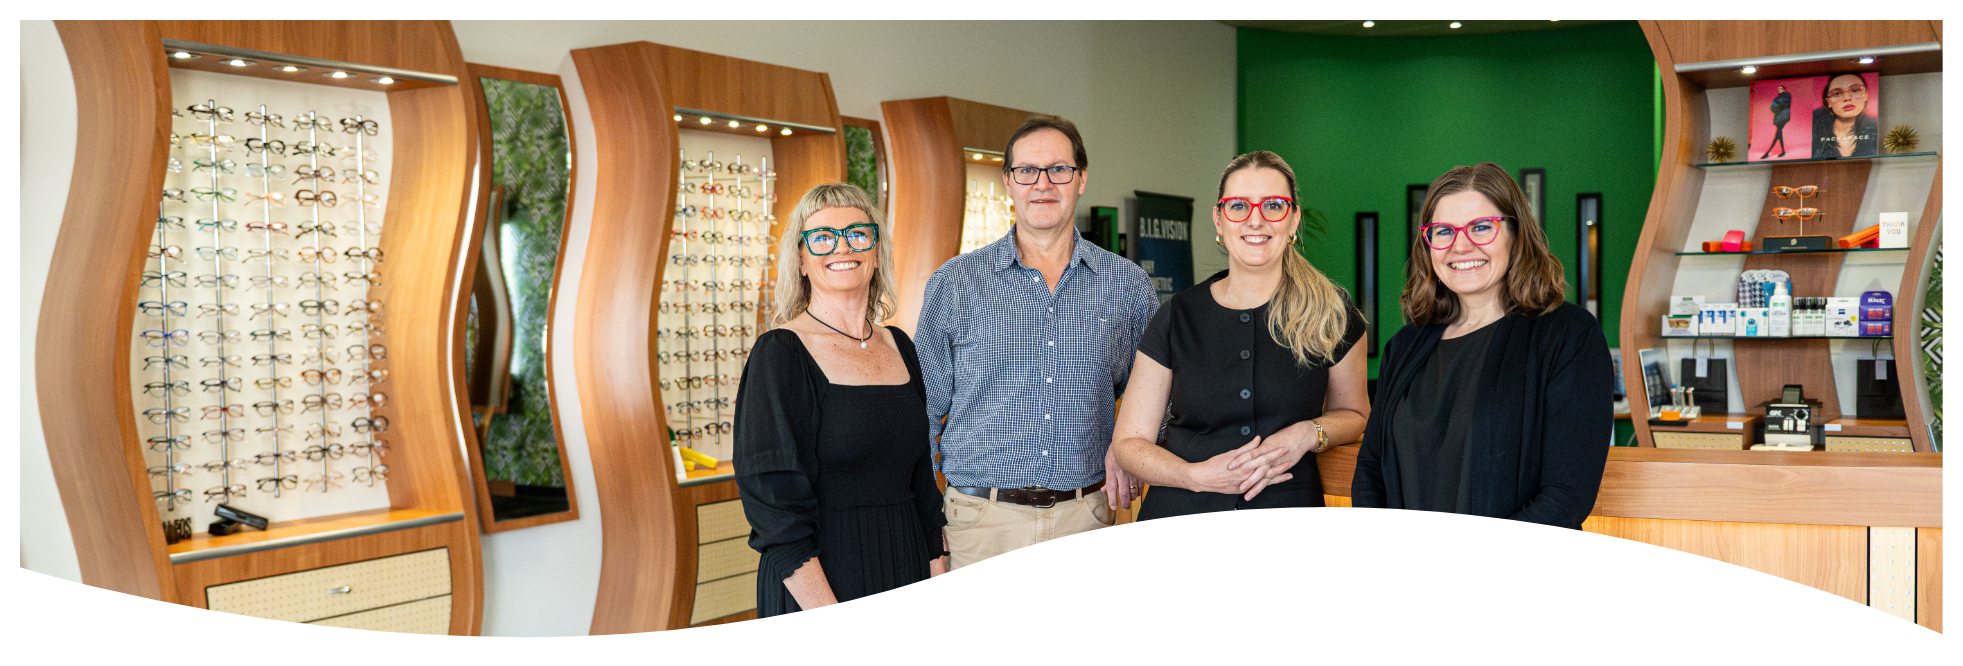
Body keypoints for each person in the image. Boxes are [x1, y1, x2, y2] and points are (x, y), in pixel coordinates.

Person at [916, 115, 1159, 570]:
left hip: (1087, 518)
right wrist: (928, 517)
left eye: (1058, 170)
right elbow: (921, 410)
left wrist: (1130, 445)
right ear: (1008, 182)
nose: (1042, 183)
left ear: (1081, 178)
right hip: (980, 522)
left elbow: (1160, 392)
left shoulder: (1127, 286)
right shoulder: (956, 284)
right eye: (1027, 171)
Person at [1351, 162, 1613, 529]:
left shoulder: (1568, 335)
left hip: (1511, 575)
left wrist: (1474, 567)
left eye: (1481, 228)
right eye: (1443, 231)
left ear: (1516, 234)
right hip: (1409, 572)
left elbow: (1566, 495)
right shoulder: (1405, 345)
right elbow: (1371, 471)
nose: (1460, 245)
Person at [1111, 151, 1370, 518]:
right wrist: (1195, 476)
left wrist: (1307, 433)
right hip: (1180, 523)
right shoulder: (1176, 317)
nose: (1255, 220)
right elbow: (1129, 442)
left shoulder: (1331, 313)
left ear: (1293, 219)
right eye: (1238, 206)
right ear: (1219, 220)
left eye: (1273, 206)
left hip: (1287, 522)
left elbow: (1355, 413)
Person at [733, 183, 945, 616]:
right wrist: (831, 619)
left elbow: (923, 480)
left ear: (876, 249)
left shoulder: (900, 346)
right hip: (819, 587)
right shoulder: (781, 354)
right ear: (801, 259)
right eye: (823, 237)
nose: (842, 247)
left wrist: (938, 582)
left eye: (857, 233)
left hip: (904, 569)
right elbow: (775, 508)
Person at [1811, 73, 1879, 159]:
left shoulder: (1876, 129)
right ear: (1828, 101)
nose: (1847, 98)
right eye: (1837, 93)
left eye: (1855, 90)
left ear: (1866, 94)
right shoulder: (1813, 131)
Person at [1762, 84, 1792, 159]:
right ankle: (1783, 151)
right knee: (1779, 134)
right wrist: (1777, 105)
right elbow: (1773, 107)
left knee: (1778, 134)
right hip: (1778, 117)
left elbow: (1783, 104)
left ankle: (1767, 152)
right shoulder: (1777, 98)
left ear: (1784, 89)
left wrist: (1777, 103)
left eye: (1781, 88)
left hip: (1783, 117)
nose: (1779, 89)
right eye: (1779, 88)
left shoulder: (1786, 95)